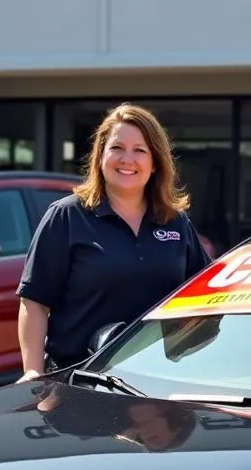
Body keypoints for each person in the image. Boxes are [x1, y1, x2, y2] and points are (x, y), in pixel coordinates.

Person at [16, 102, 212, 380]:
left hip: (159, 383)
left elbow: (205, 297)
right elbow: (34, 302)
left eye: (140, 150)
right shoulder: (66, 217)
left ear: (155, 163)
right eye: (117, 148)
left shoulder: (175, 222)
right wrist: (33, 371)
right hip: (79, 380)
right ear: (100, 156)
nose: (127, 160)